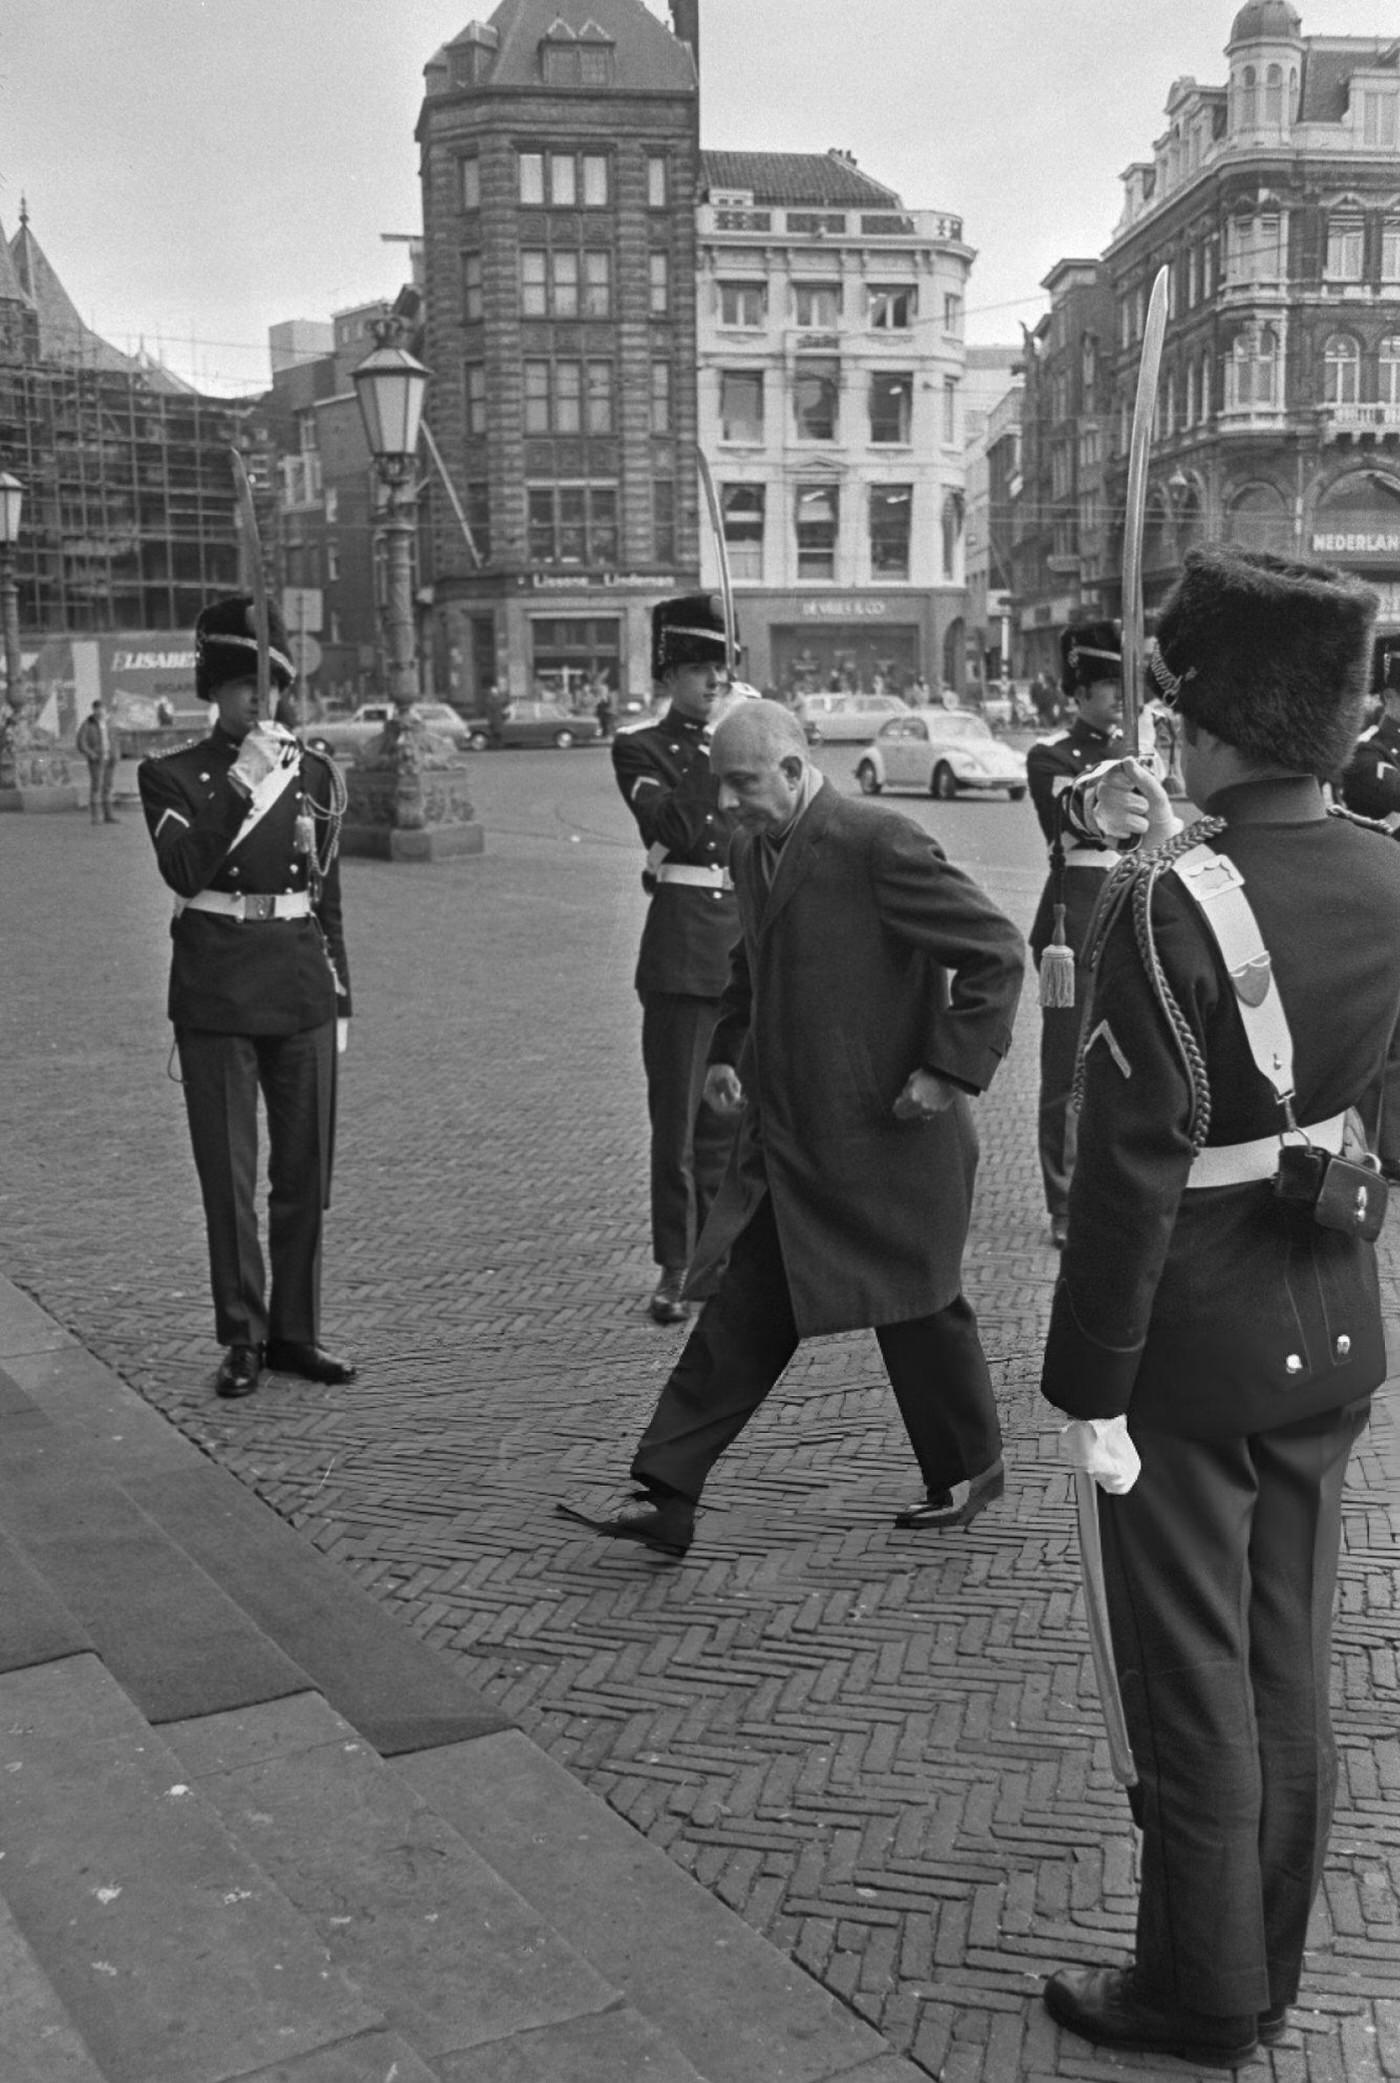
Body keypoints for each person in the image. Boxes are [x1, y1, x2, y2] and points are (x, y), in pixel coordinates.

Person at [1038, 546, 1400, 2068]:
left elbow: (1125, 1173)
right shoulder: (1393, 868)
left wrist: (1088, 1383)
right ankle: (1262, 1963)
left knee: (1192, 1681)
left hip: (1185, 1343)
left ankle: (1201, 1989)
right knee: (1287, 1668)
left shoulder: (1162, 908)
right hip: (1330, 1314)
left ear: (1212, 720)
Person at [563, 699, 1025, 1557]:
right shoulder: (750, 847)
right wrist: (725, 1052)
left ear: (789, 768)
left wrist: (948, 1069)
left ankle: (969, 1471)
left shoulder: (876, 841)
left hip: (890, 1139)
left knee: (920, 1309)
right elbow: (751, 961)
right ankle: (667, 1492)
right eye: (720, 786)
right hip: (794, 1143)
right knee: (744, 1311)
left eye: (742, 784)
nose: (728, 803)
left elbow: (997, 950)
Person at [137, 594, 357, 1401]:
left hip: (299, 980)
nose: (259, 703)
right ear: (216, 690)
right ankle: (244, 1333)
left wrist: (342, 994)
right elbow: (185, 870)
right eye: (242, 687)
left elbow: (326, 892)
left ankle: (296, 1330)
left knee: (305, 1171)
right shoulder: (170, 774)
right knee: (229, 1176)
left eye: (270, 687)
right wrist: (244, 780)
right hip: (219, 988)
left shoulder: (317, 772)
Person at [611, 594, 743, 1325]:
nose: (711, 682)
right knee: (679, 1125)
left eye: (718, 668)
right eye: (697, 669)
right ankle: (674, 1265)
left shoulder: (739, 737)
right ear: (668, 675)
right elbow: (674, 825)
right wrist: (722, 747)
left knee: (729, 1117)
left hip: (739, 950)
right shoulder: (641, 748)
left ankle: (717, 1260)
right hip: (683, 950)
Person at [1024, 624, 1127, 1247]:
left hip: (1132, 909)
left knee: (1129, 1064)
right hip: (1078, 915)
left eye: (1125, 684)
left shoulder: (1140, 747)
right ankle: (1063, 1199)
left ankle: (1112, 1187)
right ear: (1081, 690)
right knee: (1068, 1069)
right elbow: (1069, 819)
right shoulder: (1051, 756)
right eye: (1111, 685)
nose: (1119, 696)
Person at [75, 697, 119, 825]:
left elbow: (115, 740)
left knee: (108, 786)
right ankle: (96, 817)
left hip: (110, 759)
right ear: (94, 711)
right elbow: (81, 742)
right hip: (97, 760)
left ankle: (109, 815)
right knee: (96, 787)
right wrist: (91, 753)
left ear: (105, 710)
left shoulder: (109, 723)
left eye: (102, 709)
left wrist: (116, 754)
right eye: (97, 709)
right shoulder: (88, 724)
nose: (100, 712)